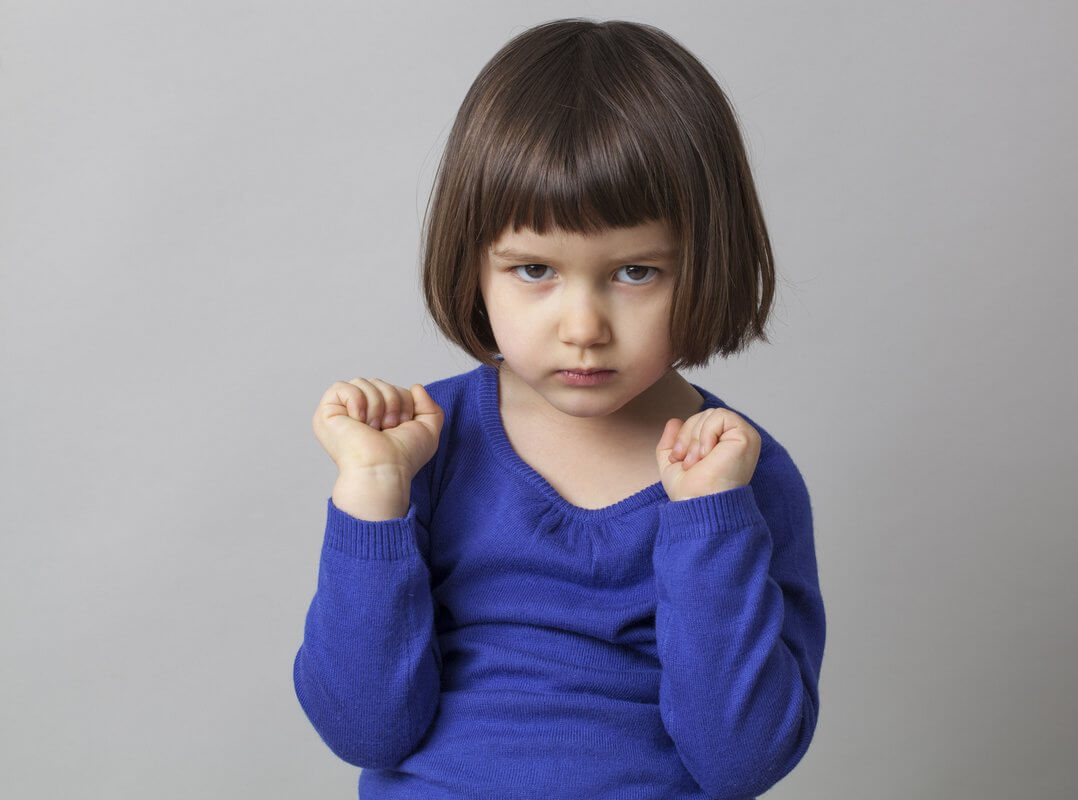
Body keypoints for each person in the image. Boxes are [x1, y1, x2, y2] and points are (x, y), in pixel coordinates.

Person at [294, 17, 826, 800]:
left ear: (706, 264)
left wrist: (709, 520)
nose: (583, 328)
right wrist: (372, 499)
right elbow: (364, 730)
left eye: (637, 271)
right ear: (474, 265)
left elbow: (741, 762)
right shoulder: (420, 451)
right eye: (535, 269)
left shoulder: (744, 479)